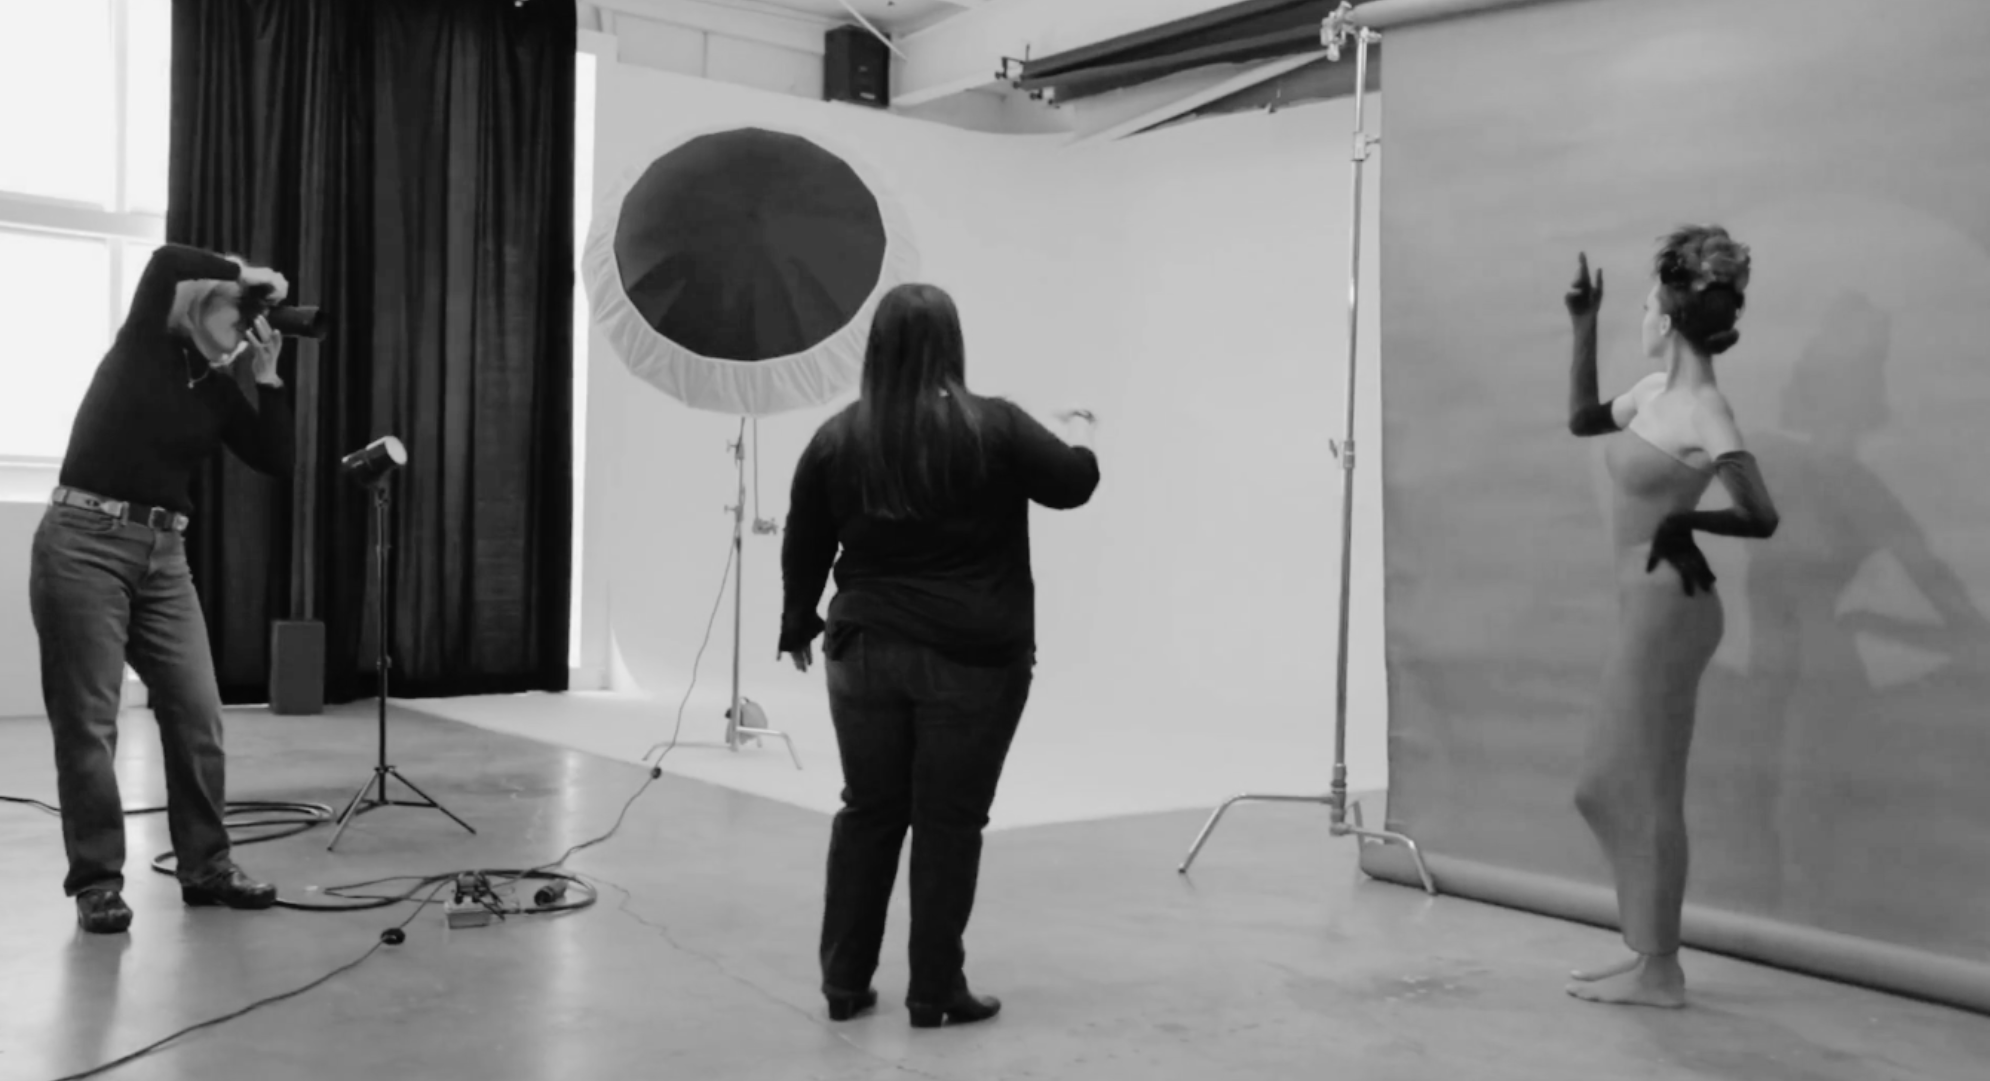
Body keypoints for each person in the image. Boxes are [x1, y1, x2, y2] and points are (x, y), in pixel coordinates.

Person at [778, 282, 1100, 1028]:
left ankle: (844, 983)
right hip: (973, 656)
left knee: (868, 809)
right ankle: (934, 990)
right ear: (953, 343)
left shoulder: (837, 436)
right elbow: (1073, 484)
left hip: (862, 650)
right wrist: (1077, 430)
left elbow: (805, 539)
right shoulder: (995, 426)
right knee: (949, 820)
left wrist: (799, 624)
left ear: (877, 348)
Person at [31, 242, 295, 934]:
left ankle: (207, 868)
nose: (247, 323)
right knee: (90, 721)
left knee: (198, 711)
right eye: (239, 311)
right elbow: (164, 259)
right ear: (201, 302)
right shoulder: (146, 340)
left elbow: (277, 459)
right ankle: (97, 882)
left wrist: (266, 379)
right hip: (83, 542)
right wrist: (250, 274)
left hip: (164, 554)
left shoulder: (215, 391)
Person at [1561, 226, 1780, 1007]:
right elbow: (1584, 419)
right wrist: (1583, 322)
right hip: (1642, 604)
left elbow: (1761, 514)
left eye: (1648, 305)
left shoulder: (1705, 411)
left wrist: (1688, 524)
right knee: (1609, 785)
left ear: (1673, 317)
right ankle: (1649, 951)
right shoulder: (1655, 396)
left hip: (1670, 609)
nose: (1644, 318)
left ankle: (1660, 970)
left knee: (1638, 785)